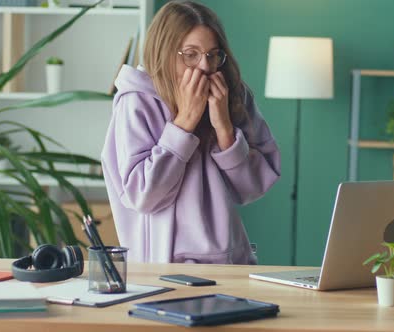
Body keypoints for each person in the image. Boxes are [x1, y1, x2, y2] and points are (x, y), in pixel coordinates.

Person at [101, 0, 280, 264]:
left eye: (212, 54)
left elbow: (252, 188)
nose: (205, 67)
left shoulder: (233, 95)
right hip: (164, 268)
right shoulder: (136, 103)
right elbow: (143, 197)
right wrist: (184, 123)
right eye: (191, 54)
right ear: (164, 52)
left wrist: (225, 129)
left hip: (232, 263)